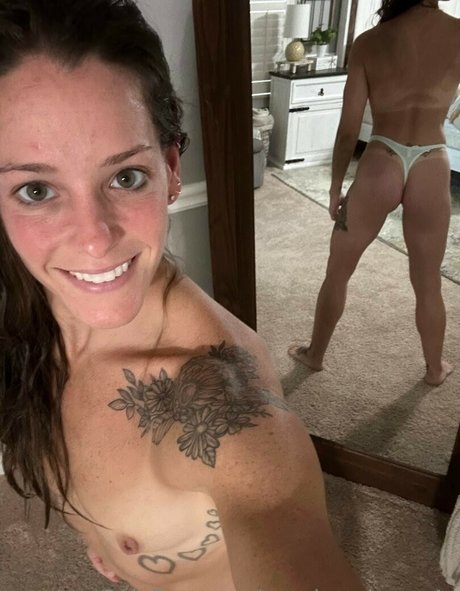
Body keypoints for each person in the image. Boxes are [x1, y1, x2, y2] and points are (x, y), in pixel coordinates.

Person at [0, 1, 366, 590]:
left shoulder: (223, 409)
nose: (94, 240)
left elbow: (272, 504)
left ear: (171, 169)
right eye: (37, 190)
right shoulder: (23, 301)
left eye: (125, 177)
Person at [288, 0, 460, 387]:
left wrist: (335, 185)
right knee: (428, 282)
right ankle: (435, 369)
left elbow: (349, 128)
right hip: (431, 161)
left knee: (338, 270)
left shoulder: (369, 43)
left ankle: (315, 355)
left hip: (383, 158)